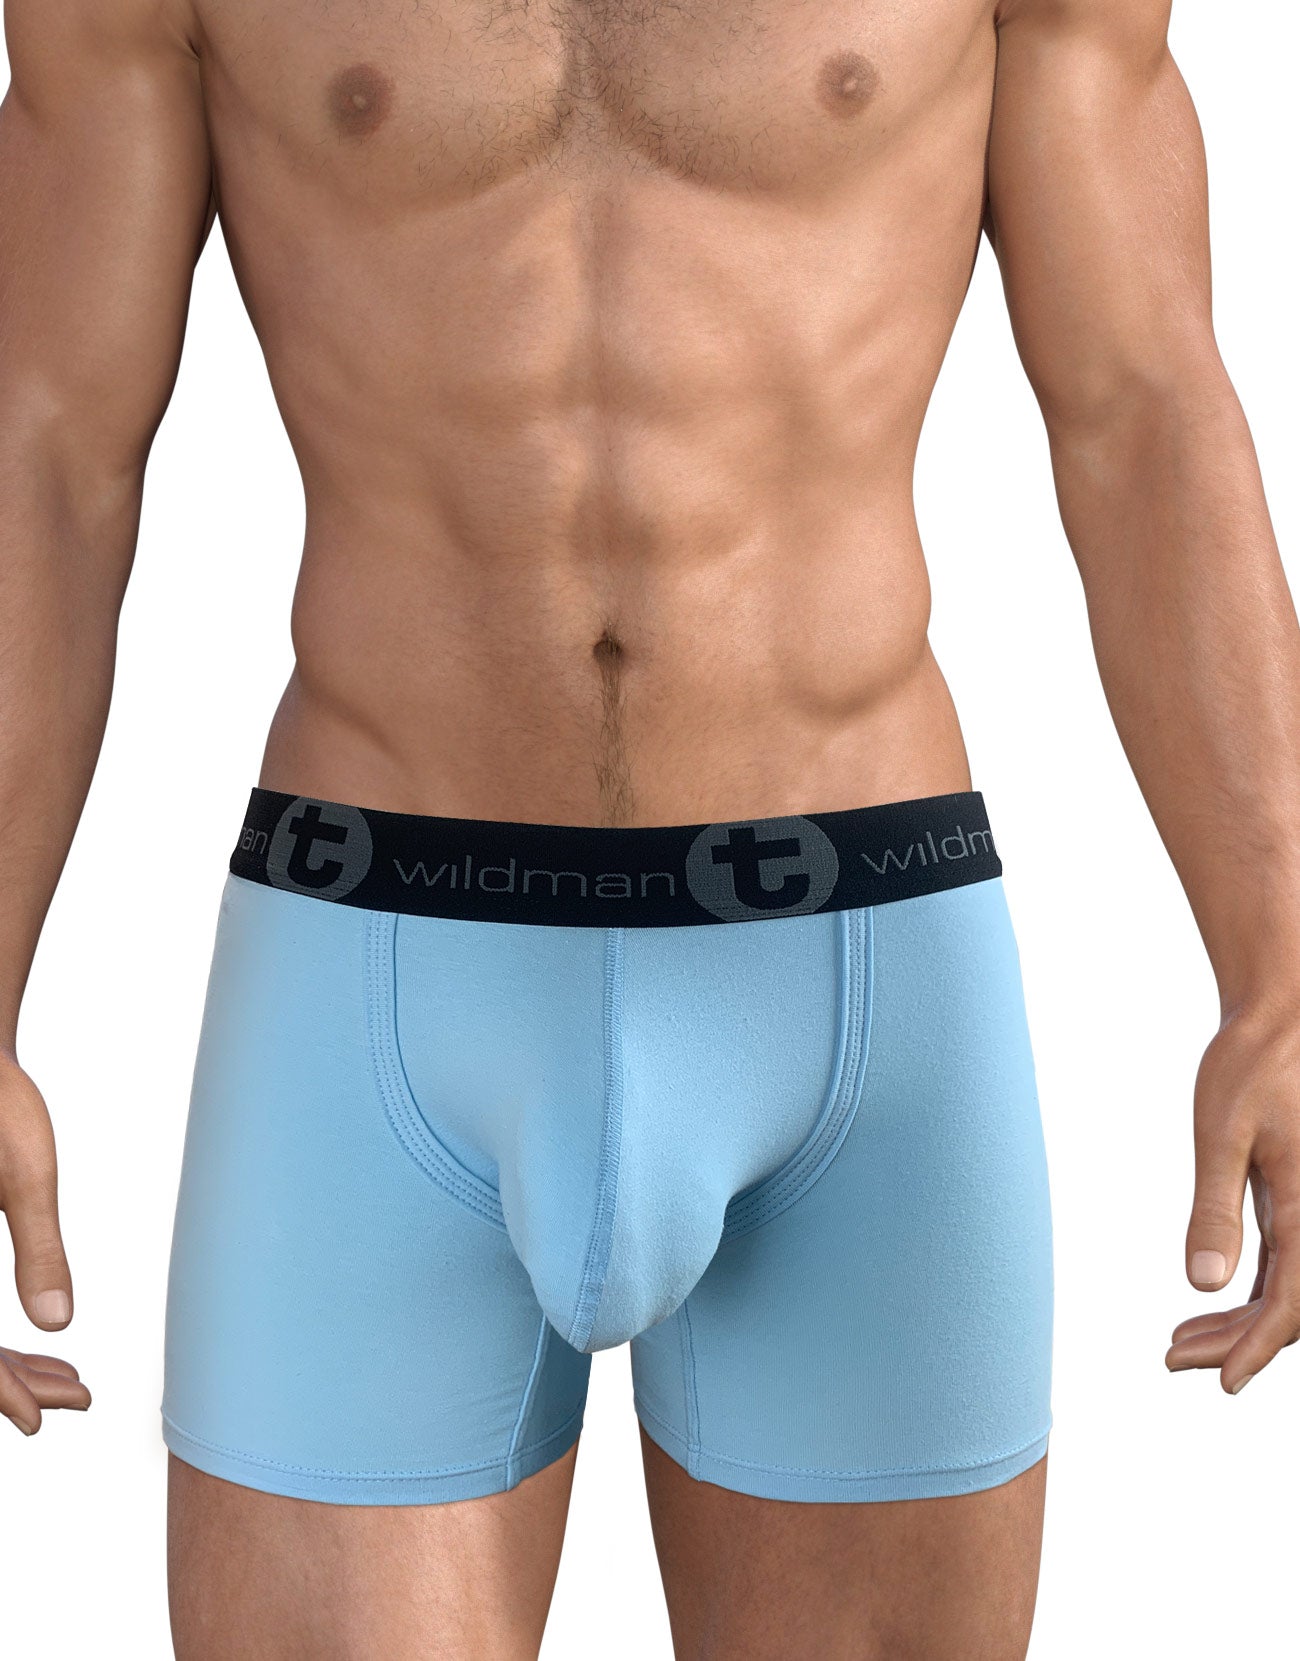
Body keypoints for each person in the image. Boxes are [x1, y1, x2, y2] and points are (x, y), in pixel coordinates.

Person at [1, 0, 1296, 1655]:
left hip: (856, 977)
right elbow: (48, 446)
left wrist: (1282, 966)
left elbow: (1144, 409)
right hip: (372, 975)